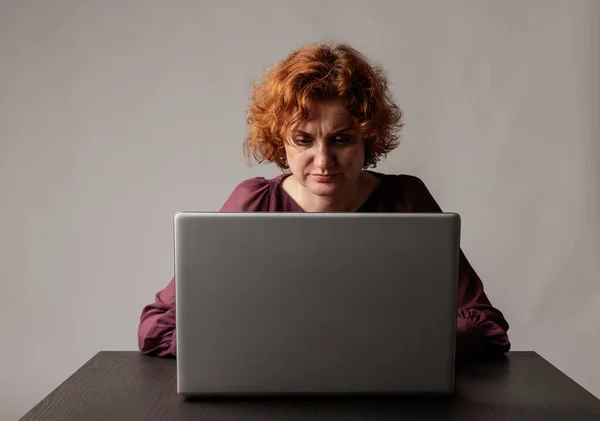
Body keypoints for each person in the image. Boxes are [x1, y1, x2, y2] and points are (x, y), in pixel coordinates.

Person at [138, 42, 510, 362]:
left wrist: (388, 347)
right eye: (303, 140)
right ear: (280, 141)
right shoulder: (253, 204)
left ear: (367, 137)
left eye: (341, 139)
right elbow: (157, 326)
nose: (323, 161)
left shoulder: (407, 201)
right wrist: (252, 344)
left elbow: (485, 325)